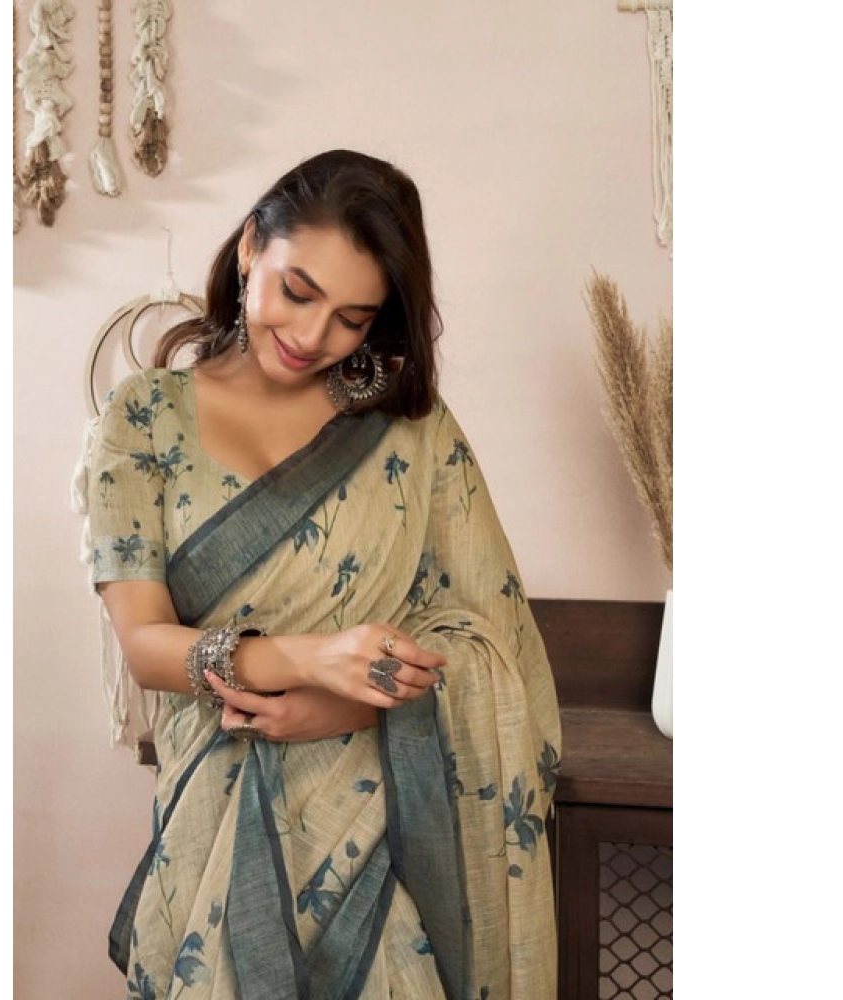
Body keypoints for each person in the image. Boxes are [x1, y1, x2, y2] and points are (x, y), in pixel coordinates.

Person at [87, 149, 561, 1000]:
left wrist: (348, 704)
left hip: (383, 826)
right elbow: (146, 645)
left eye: (351, 318)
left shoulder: (407, 426)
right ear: (249, 248)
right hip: (212, 832)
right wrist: (308, 661)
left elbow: (486, 633)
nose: (311, 337)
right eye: (297, 292)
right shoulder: (145, 417)